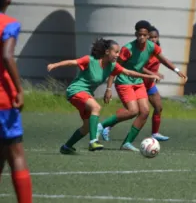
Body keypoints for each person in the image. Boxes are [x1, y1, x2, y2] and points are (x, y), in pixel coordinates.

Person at [47, 38, 160, 154]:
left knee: (86, 127)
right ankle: (93, 142)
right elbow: (73, 62)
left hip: (87, 94)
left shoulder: (112, 66)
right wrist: (55, 65)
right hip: (75, 90)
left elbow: (128, 72)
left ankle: (66, 147)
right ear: (107, 52)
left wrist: (149, 76)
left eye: (118, 52)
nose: (118, 55)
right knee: (96, 107)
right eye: (115, 52)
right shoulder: (90, 60)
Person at [98, 20, 187, 152]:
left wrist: (177, 70)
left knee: (144, 112)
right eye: (139, 35)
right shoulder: (127, 49)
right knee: (133, 111)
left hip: (138, 82)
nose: (141, 38)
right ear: (136, 34)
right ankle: (102, 126)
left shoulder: (152, 46)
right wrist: (109, 88)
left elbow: (163, 59)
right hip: (124, 81)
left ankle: (127, 143)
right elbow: (115, 68)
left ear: (147, 35)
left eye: (144, 35)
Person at [100, 26, 169, 142]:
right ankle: (107, 126)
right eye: (151, 37)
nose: (152, 39)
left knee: (157, 107)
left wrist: (175, 71)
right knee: (132, 110)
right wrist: (152, 73)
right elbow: (137, 68)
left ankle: (154, 133)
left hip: (148, 84)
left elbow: (165, 61)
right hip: (135, 81)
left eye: (155, 37)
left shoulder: (154, 50)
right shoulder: (136, 49)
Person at [0, 0, 33, 202]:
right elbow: (6, 56)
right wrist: (19, 89)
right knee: (16, 154)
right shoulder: (9, 23)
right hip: (3, 99)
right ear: (8, 1)